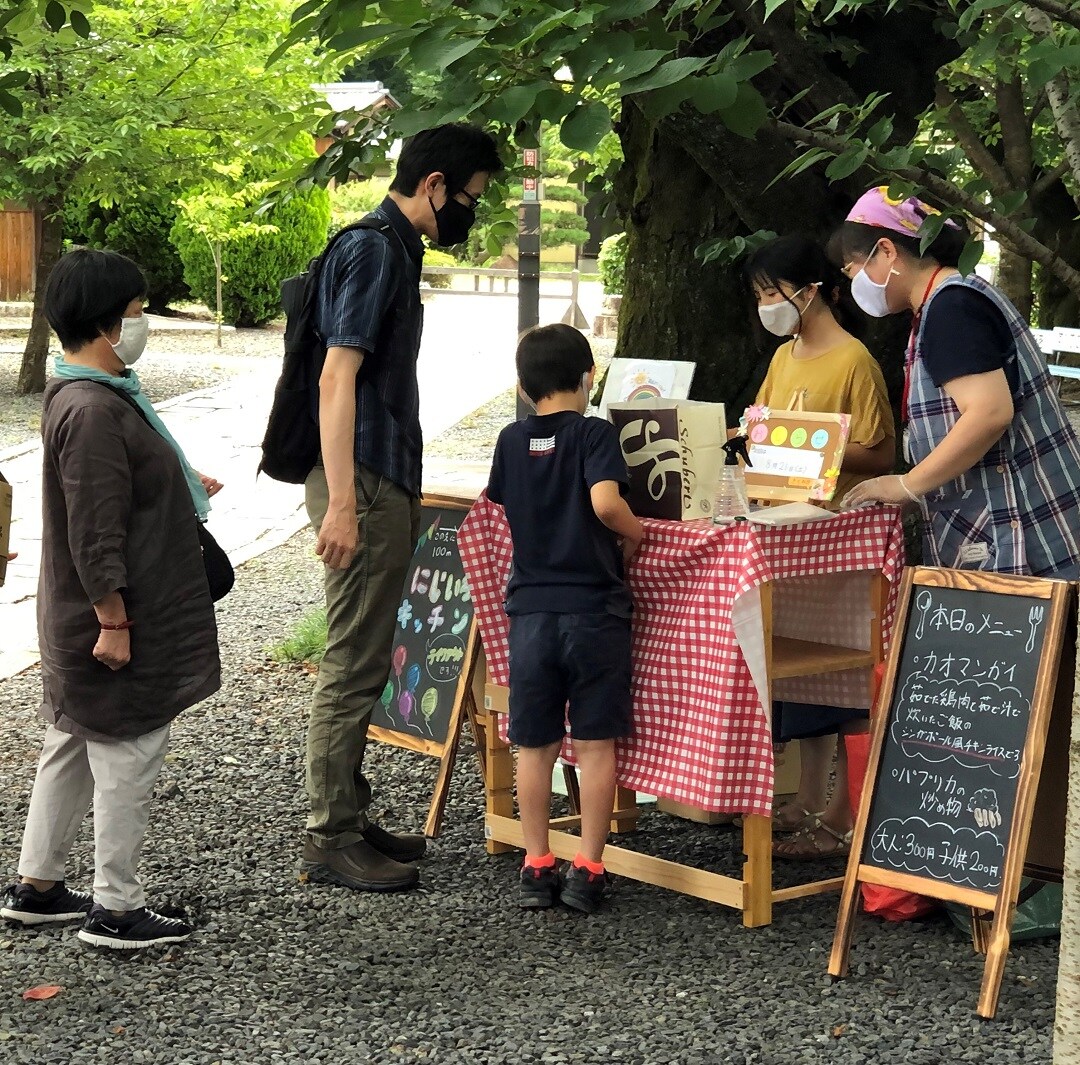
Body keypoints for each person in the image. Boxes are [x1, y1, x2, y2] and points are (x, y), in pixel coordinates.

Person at [301, 123, 503, 893]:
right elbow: (335, 378)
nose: (469, 215)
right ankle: (329, 835)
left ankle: (347, 807)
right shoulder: (375, 250)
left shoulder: (391, 247)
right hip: (365, 480)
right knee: (351, 661)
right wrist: (344, 502)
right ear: (436, 185)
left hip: (380, 477)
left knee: (367, 651)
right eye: (471, 198)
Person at [0, 249, 221, 949]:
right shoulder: (95, 408)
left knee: (69, 740)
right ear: (104, 321)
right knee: (130, 747)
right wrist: (115, 621)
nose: (141, 323)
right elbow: (97, 529)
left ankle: (36, 885)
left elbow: (116, 491)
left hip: (77, 614)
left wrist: (177, 483)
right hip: (109, 617)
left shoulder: (87, 393)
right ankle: (116, 907)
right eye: (134, 312)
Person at [837, 186, 1080, 582]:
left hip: (1021, 535)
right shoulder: (952, 298)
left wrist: (908, 484)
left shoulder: (951, 308)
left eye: (852, 267)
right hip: (1008, 524)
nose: (853, 281)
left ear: (886, 250)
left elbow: (989, 411)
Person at [746, 234, 896, 860]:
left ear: (808, 291)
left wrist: (813, 444)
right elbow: (761, 423)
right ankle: (807, 797)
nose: (765, 306)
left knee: (843, 672)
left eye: (771, 293)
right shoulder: (784, 357)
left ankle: (840, 811)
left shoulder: (855, 359)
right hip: (786, 531)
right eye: (758, 296)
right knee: (797, 676)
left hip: (838, 538)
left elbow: (881, 451)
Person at [487, 324, 644, 913]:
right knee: (597, 746)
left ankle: (535, 865)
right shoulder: (593, 434)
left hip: (530, 613)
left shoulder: (509, 440)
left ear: (525, 389)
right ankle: (589, 868)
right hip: (594, 612)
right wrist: (638, 531)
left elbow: (505, 507)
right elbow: (606, 503)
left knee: (534, 745)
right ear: (588, 377)